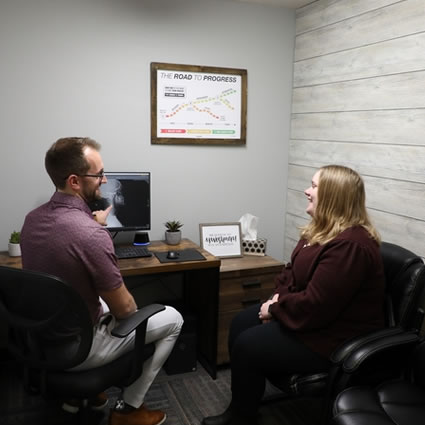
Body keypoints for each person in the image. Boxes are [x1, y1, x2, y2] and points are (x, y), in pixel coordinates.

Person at [202, 165, 385, 425]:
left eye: (314, 186)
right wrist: (273, 301)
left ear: (333, 195)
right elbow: (289, 275)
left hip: (336, 336)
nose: (307, 191)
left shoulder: (351, 245)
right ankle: (245, 402)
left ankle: (242, 418)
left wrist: (276, 310)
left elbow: (317, 304)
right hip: (314, 320)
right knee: (241, 322)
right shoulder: (318, 232)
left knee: (248, 345)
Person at [20, 137, 183, 425]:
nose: (105, 181)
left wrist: (93, 229)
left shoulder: (32, 220)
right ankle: (129, 411)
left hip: (43, 340)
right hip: (78, 349)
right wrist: (97, 235)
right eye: (98, 175)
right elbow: (126, 311)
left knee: (97, 303)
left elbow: (65, 252)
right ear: (74, 181)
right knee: (172, 318)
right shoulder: (91, 235)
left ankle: (75, 398)